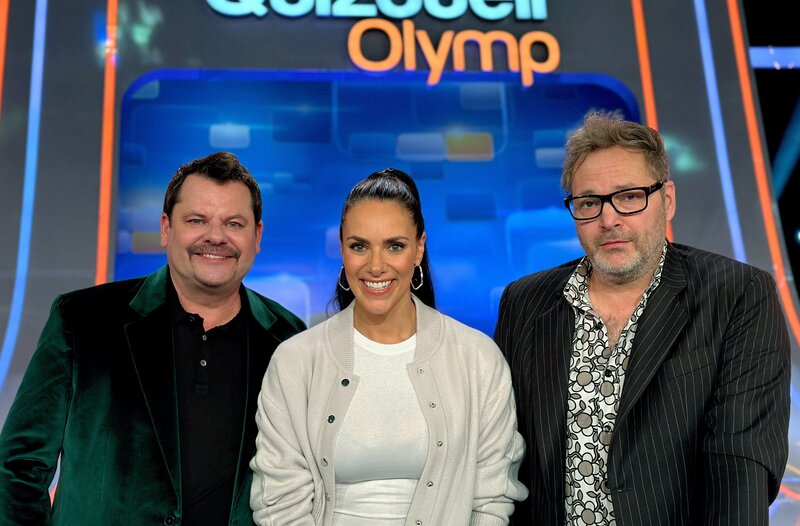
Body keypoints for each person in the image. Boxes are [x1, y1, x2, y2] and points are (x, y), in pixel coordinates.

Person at [494, 113, 791, 525]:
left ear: (667, 200)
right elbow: (503, 457)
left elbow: (740, 466)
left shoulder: (738, 295)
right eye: (589, 203)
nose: (609, 219)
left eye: (630, 196)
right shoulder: (524, 302)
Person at [0, 152, 305, 525]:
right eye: (197, 220)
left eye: (234, 223)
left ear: (256, 236)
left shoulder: (289, 340)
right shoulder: (82, 320)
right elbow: (19, 466)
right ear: (166, 228)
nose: (216, 236)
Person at [249, 168, 528, 525]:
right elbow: (279, 503)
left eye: (395, 246)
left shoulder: (477, 359)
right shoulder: (295, 362)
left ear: (419, 248)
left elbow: (492, 498)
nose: (376, 266)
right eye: (359, 246)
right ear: (342, 248)